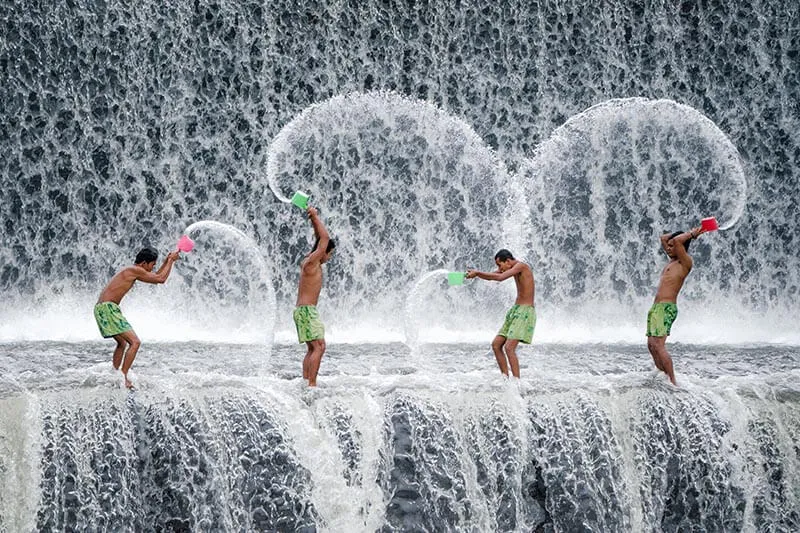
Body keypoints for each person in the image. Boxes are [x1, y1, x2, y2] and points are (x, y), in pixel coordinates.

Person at [94, 247, 180, 389]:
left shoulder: (133, 270)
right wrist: (171, 260)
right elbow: (161, 279)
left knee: (122, 343)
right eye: (152, 265)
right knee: (135, 342)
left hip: (102, 308)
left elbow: (156, 276)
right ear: (144, 263)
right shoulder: (135, 270)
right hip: (108, 309)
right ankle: (124, 377)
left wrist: (166, 261)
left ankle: (115, 373)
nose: (152, 268)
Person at [647, 226, 708, 385]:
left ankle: (673, 382)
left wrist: (693, 235)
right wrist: (684, 233)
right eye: (669, 245)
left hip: (666, 308)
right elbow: (663, 238)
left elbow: (676, 241)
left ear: (681, 247)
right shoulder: (672, 261)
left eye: (672, 246)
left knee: (659, 345)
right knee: (651, 345)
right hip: (656, 308)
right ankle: (662, 374)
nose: (668, 247)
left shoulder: (685, 262)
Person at [466, 249, 535, 378]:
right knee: (496, 345)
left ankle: (516, 383)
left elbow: (500, 277)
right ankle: (505, 379)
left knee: (509, 348)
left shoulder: (521, 266)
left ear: (508, 261)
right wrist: (472, 275)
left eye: (500, 265)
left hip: (525, 311)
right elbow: (494, 276)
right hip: (516, 310)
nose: (499, 268)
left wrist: (478, 273)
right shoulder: (511, 267)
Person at [294, 206, 336, 387]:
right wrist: (315, 216)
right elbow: (324, 239)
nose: (329, 257)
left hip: (303, 311)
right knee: (319, 346)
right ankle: (312, 384)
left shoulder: (311, 262)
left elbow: (321, 240)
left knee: (313, 348)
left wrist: (313, 220)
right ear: (323, 251)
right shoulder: (312, 262)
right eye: (330, 253)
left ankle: (306, 381)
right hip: (306, 311)